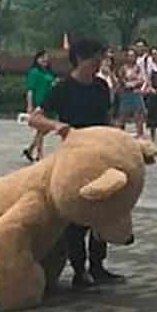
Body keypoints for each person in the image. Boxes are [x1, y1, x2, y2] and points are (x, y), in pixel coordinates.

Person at [29, 38, 125, 290]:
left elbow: (106, 119)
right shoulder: (63, 89)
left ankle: (98, 266)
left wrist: (120, 140)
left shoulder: (101, 87)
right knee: (77, 217)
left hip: (101, 156)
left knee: (102, 213)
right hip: (75, 162)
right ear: (81, 59)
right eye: (95, 58)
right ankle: (79, 272)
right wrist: (56, 126)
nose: (99, 64)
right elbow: (35, 118)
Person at [23, 50, 56, 162]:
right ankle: (39, 154)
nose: (45, 60)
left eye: (46, 57)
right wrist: (30, 105)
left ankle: (31, 148)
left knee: (44, 129)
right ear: (37, 59)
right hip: (39, 103)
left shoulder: (48, 73)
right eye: (42, 57)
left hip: (49, 104)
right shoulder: (34, 72)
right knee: (41, 129)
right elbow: (30, 90)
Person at [117, 48, 147, 137]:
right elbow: (120, 78)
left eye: (132, 56)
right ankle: (120, 134)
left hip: (136, 92)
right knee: (123, 114)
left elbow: (141, 79)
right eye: (129, 56)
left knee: (138, 114)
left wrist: (134, 84)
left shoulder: (138, 68)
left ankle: (139, 133)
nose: (131, 58)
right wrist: (125, 83)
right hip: (125, 93)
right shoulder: (123, 68)